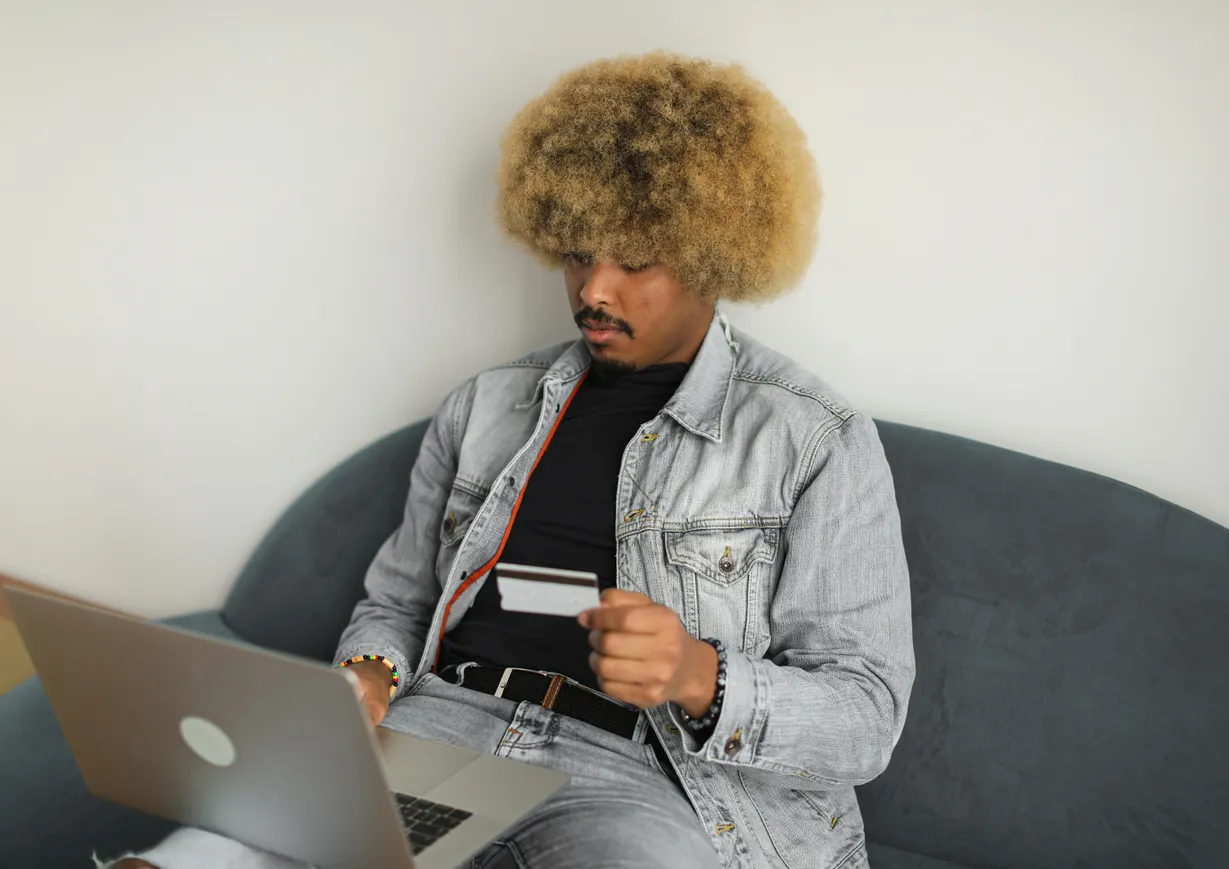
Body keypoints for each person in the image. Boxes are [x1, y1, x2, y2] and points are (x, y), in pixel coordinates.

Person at [104, 51, 915, 869]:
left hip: (647, 773)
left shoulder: (812, 438)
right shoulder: (487, 405)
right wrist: (370, 674)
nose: (593, 290)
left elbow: (866, 714)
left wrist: (698, 673)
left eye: (634, 260)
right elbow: (398, 600)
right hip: (444, 725)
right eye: (576, 253)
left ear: (715, 255)